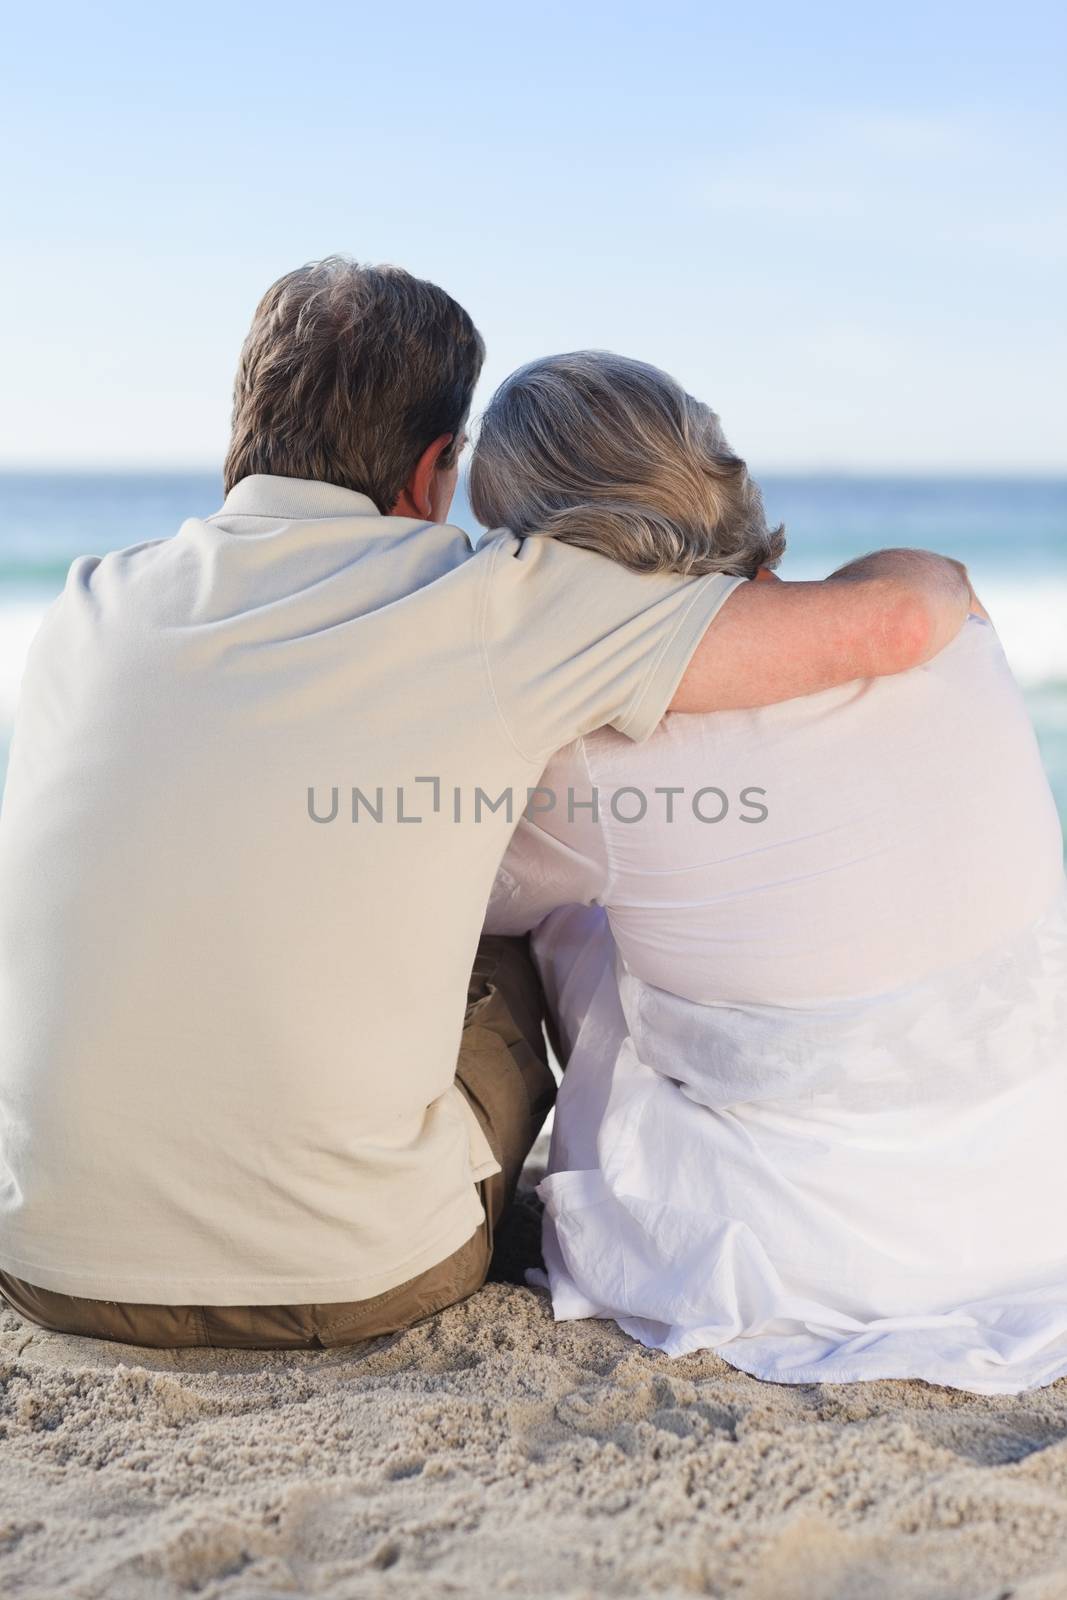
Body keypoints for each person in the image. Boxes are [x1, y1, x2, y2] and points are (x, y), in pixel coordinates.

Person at [0, 263, 975, 1350]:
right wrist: (938, 576)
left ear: (244, 429)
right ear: (435, 468)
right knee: (503, 930)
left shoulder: (84, 606)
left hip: (44, 1257)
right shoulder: (491, 602)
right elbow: (891, 624)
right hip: (343, 1273)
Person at [478, 351, 1067, 1396]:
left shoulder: (587, 761)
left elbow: (467, 900)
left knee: (555, 916)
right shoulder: (944, 623)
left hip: (803, 1255)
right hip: (1035, 1200)